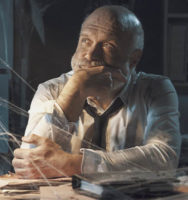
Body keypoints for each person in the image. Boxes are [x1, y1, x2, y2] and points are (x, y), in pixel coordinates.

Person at [12, 5, 181, 179]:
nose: (90, 54)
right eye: (85, 41)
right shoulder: (51, 90)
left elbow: (164, 157)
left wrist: (72, 164)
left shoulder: (155, 89)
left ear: (133, 59)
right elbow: (30, 162)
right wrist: (75, 90)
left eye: (108, 45)